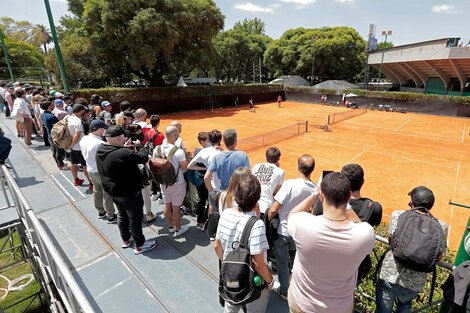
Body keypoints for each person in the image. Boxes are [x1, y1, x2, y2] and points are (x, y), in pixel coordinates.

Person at [287, 172, 375, 313]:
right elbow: (360, 225)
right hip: (339, 307)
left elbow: (292, 214)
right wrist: (347, 207)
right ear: (348, 197)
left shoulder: (302, 225)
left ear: (322, 197)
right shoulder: (364, 234)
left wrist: (315, 194)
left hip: (302, 303)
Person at [376, 186, 447, 313]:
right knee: (404, 306)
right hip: (414, 283)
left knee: (383, 310)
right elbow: (438, 256)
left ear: (412, 203)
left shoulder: (398, 215)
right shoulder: (441, 226)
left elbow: (392, 241)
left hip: (390, 275)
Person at [313, 163, 382, 283]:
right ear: (362, 182)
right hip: (355, 267)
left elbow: (313, 215)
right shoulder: (375, 208)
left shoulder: (324, 202)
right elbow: (375, 225)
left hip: (326, 261)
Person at [214, 174, 273, 313]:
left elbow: (217, 246)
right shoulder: (257, 225)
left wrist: (229, 264)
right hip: (253, 280)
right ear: (257, 199)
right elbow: (258, 262)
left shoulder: (226, 214)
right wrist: (270, 281)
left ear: (236, 195)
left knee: (231, 306)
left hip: (230, 275)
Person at [96, 125, 158, 255]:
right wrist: (139, 146)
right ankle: (140, 245)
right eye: (123, 136)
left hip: (114, 192)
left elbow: (118, 156)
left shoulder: (101, 149)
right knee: (135, 219)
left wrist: (124, 148)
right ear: (119, 138)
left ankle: (126, 239)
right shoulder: (124, 153)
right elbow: (143, 157)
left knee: (122, 216)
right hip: (130, 193)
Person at [267, 154, 316, 300]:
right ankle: (297, 289)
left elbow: (274, 209)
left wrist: (265, 222)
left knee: (282, 263)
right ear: (312, 170)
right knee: (297, 264)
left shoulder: (290, 184)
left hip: (283, 232)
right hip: (301, 234)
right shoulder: (315, 189)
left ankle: (284, 290)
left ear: (298, 167)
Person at [153, 126, 190, 237]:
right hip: (177, 183)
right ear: (175, 136)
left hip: (164, 182)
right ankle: (178, 229)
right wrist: (186, 156)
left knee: (167, 204)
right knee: (176, 207)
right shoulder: (178, 152)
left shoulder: (157, 149)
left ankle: (171, 226)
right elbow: (185, 168)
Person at [79, 119, 116, 223]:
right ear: (99, 130)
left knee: (97, 191)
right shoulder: (100, 143)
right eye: (103, 129)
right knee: (107, 194)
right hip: (101, 171)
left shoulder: (84, 139)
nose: (104, 131)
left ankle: (101, 212)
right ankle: (111, 215)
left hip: (90, 169)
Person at [252, 147, 284, 218]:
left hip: (252, 205)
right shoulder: (280, 172)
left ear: (266, 157)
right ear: (278, 159)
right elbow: (276, 193)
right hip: (265, 209)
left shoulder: (255, 167)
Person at [40, 101, 68, 170]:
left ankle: (58, 163)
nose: (54, 106)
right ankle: (61, 165)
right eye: (52, 105)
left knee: (54, 150)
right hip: (55, 136)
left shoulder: (43, 115)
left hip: (50, 135)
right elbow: (58, 128)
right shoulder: (51, 117)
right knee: (59, 151)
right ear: (49, 106)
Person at [68, 104, 91, 187]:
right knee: (85, 166)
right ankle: (91, 183)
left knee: (73, 164)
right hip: (80, 147)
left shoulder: (68, 118)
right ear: (81, 111)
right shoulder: (78, 121)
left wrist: (70, 146)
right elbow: (77, 135)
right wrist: (72, 145)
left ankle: (76, 180)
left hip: (72, 148)